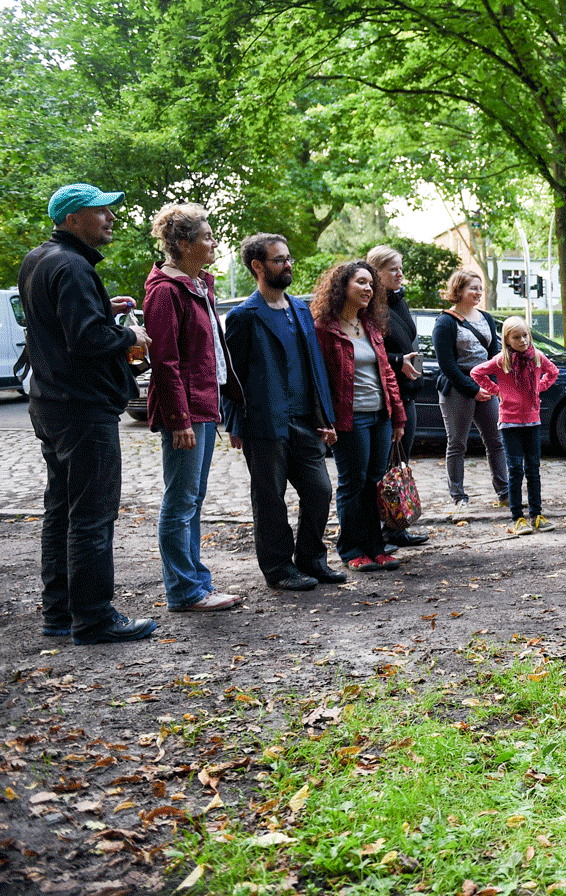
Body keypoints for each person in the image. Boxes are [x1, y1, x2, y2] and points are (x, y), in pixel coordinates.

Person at [21, 183, 157, 644]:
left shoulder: (41, 258)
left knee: (60, 510)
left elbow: (61, 325)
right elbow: (87, 340)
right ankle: (95, 618)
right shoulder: (73, 265)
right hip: (83, 409)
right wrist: (130, 337)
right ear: (75, 217)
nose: (111, 219)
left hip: (50, 403)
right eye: (102, 212)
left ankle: (58, 614)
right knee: (92, 516)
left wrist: (103, 307)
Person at [224, 234, 345, 592]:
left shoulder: (300, 309)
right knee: (270, 500)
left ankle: (311, 559)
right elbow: (232, 376)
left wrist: (325, 417)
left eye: (288, 258)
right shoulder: (244, 316)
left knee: (320, 491)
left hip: (305, 421)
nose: (288, 264)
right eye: (279, 260)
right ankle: (278, 569)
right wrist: (234, 423)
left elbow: (315, 367)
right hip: (264, 423)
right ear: (257, 266)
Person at [142, 203, 243, 612]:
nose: (213, 242)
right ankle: (184, 591)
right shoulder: (167, 291)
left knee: (193, 498)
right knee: (180, 500)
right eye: (206, 236)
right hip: (185, 411)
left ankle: (197, 583)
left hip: (205, 403)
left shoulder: (200, 285)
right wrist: (179, 418)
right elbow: (164, 362)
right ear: (182, 244)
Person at [312, 261, 406, 572]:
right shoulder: (324, 329)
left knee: (374, 483)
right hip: (348, 418)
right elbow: (319, 378)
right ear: (342, 287)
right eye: (360, 283)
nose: (368, 289)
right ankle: (350, 548)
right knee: (352, 484)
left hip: (380, 415)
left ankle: (375, 547)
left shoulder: (371, 326)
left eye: (370, 284)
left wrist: (398, 417)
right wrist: (325, 420)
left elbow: (387, 373)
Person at [471, 317, 560, 535]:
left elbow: (553, 372)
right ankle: (517, 517)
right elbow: (476, 373)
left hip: (532, 420)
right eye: (516, 337)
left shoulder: (537, 357)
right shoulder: (502, 360)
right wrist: (496, 390)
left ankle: (537, 514)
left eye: (525, 335)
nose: (522, 340)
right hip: (509, 422)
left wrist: (538, 388)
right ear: (508, 340)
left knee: (533, 469)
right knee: (514, 470)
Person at [367, 245, 429, 548]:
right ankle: (378, 530)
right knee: (384, 464)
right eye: (393, 269)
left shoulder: (396, 300)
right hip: (388, 393)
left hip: (408, 391)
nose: (400, 274)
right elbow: (371, 352)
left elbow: (406, 338)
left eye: (400, 267)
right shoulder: (369, 306)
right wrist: (397, 362)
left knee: (399, 463)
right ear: (377, 272)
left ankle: (396, 526)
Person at [432, 270, 509, 508]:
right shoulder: (445, 322)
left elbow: (494, 355)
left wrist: (494, 385)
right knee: (457, 444)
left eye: (479, 288)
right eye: (472, 288)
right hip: (458, 387)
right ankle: (458, 496)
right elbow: (447, 365)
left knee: (496, 441)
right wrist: (472, 389)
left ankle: (505, 493)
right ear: (459, 290)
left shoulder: (485, 318)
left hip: (486, 386)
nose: (477, 292)